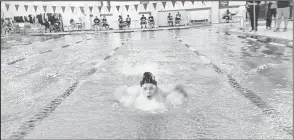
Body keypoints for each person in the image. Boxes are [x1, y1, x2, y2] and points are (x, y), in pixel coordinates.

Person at [113, 72, 189, 112]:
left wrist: (186, 96)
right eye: (145, 88)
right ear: (141, 87)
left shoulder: (163, 91)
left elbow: (178, 85)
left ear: (156, 88)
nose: (148, 91)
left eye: (151, 88)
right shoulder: (136, 91)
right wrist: (116, 102)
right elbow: (121, 90)